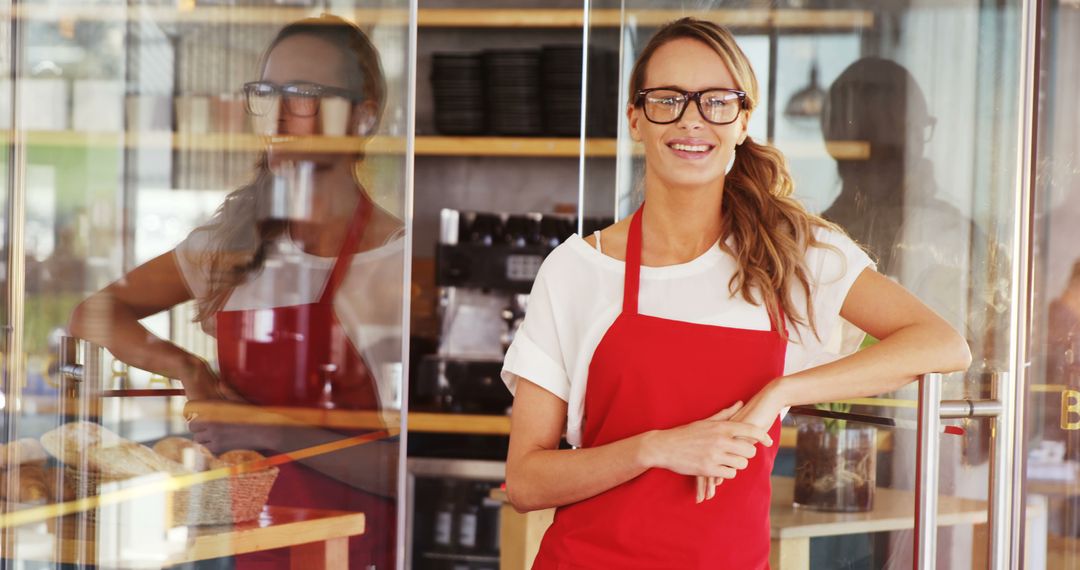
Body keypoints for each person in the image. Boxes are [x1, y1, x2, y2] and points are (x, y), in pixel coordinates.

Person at [500, 18, 971, 569]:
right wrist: (657, 447)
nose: (691, 120)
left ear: (743, 119)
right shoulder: (578, 270)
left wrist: (777, 394)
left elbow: (940, 344)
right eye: (667, 99)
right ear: (635, 118)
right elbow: (526, 481)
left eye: (716, 101)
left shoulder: (789, 255)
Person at [68, 15, 403, 570]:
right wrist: (188, 369)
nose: (277, 113)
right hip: (246, 549)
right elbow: (95, 313)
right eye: (266, 92)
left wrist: (260, 424)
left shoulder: (396, 262)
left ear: (363, 117)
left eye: (304, 95)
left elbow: (403, 469)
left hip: (355, 553)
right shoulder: (231, 244)